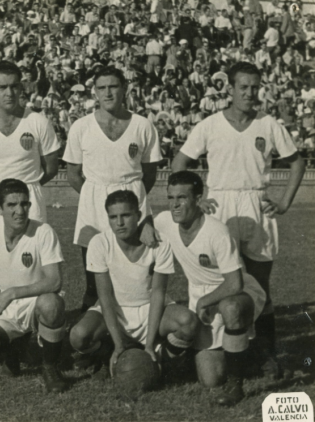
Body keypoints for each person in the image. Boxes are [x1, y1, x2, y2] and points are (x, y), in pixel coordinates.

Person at [171, 62, 305, 379]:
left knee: (260, 289)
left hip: (257, 205)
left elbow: (297, 162)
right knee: (225, 286)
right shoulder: (210, 125)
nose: (249, 93)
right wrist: (198, 198)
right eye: (242, 87)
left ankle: (266, 356)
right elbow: (180, 162)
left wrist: (284, 202)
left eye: (254, 87)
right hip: (220, 207)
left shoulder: (269, 124)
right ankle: (227, 350)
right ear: (230, 89)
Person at [154, 171, 267, 406]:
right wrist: (145, 227)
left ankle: (236, 385)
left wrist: (204, 302)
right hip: (201, 292)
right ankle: (248, 353)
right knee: (210, 380)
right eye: (171, 197)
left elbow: (234, 283)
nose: (175, 204)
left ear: (198, 198)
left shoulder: (217, 231)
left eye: (182, 198)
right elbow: (145, 221)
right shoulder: (165, 221)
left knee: (231, 308)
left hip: (237, 290)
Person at [63, 66, 163, 313]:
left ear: (125, 89)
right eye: (102, 88)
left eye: (113, 86)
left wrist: (130, 198)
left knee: (133, 271)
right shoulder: (81, 127)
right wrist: (94, 195)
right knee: (94, 274)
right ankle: (92, 326)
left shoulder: (142, 125)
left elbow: (149, 173)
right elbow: (73, 174)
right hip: (94, 201)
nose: (107, 93)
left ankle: (135, 319)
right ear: (94, 93)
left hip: (132, 201)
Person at [70, 190, 198, 374]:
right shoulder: (99, 243)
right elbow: (105, 297)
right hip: (116, 309)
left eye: (126, 215)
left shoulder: (159, 242)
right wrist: (118, 344)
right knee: (78, 336)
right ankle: (109, 354)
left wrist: (150, 343)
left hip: (149, 309)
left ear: (138, 216)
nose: (119, 223)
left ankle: (162, 355)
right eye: (113, 217)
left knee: (189, 322)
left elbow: (158, 294)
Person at [0, 179, 69, 394]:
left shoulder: (43, 232)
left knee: (52, 304)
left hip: (36, 301)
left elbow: (54, 281)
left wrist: (12, 293)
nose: (20, 211)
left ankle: (50, 367)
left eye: (24, 204)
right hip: (5, 303)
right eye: (12, 205)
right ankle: (14, 348)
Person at [0, 61, 61, 228]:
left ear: (21, 88)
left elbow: (51, 168)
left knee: (30, 252)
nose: (9, 93)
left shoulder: (39, 122)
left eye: (14, 86)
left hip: (29, 201)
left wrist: (25, 187)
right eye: (2, 87)